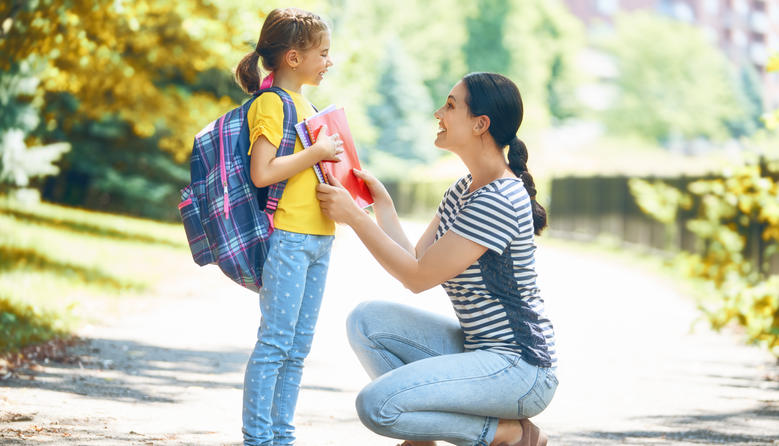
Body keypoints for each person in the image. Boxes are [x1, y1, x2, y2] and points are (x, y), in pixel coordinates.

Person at [316, 72, 557, 446]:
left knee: (377, 405)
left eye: (449, 105)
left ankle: (507, 434)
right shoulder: (465, 188)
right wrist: (383, 206)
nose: (437, 113)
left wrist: (353, 217)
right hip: (480, 351)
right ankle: (422, 439)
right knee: (366, 321)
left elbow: (417, 277)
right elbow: (415, 260)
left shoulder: (499, 199)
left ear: (481, 124)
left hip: (520, 367)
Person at [233, 7, 343, 446]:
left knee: (298, 349)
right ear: (293, 58)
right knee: (276, 343)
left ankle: (282, 436)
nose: (329, 61)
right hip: (290, 238)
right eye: (323, 52)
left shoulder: (310, 106)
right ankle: (258, 439)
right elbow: (263, 172)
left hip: (320, 238)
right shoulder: (271, 103)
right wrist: (316, 153)